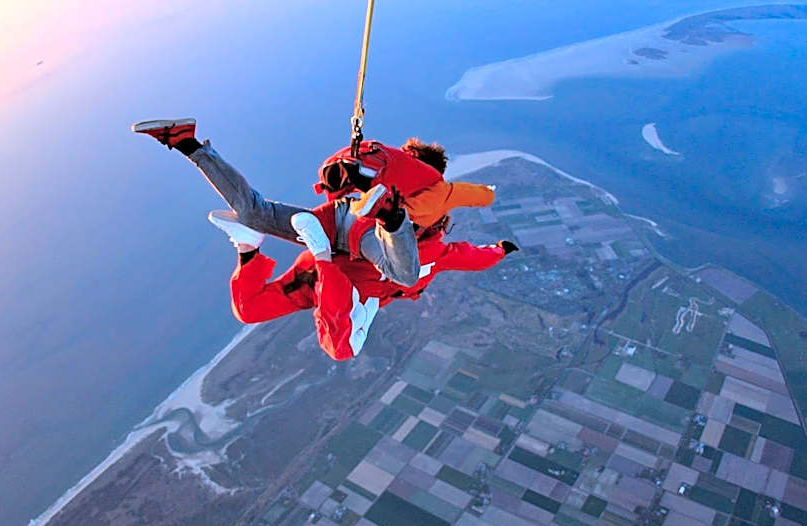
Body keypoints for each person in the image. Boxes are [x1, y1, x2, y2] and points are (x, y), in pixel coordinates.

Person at [132, 118, 421, 287]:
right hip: (358, 232)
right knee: (404, 276)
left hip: (337, 226)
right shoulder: (430, 217)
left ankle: (186, 143)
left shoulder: (424, 197)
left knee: (252, 213)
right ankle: (389, 216)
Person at [208, 207, 519, 360]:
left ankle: (247, 246)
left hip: (324, 282)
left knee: (249, 310)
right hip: (336, 279)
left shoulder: (435, 251)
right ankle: (320, 252)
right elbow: (473, 257)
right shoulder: (403, 241)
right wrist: (499, 250)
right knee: (340, 348)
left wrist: (500, 250)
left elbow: (475, 257)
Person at [315, 137, 496, 228]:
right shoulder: (440, 188)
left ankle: (362, 189)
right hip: (394, 216)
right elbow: (473, 194)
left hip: (382, 200)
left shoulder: (433, 185)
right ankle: (374, 205)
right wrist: (489, 194)